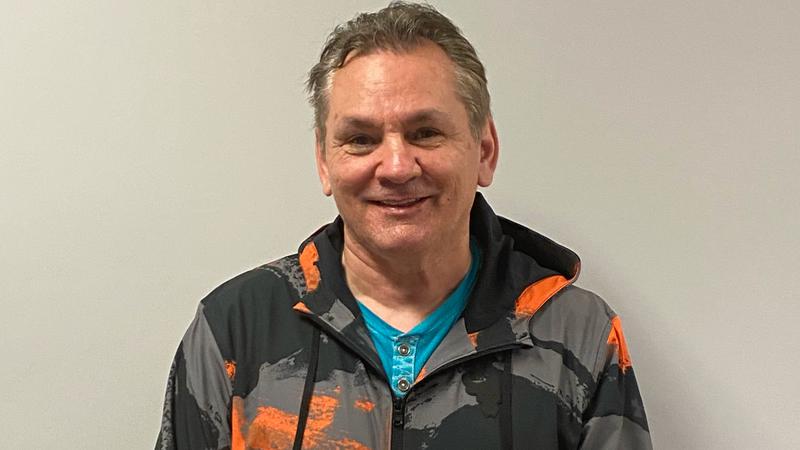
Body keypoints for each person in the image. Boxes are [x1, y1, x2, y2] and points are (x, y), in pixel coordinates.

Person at [156, 2, 651, 449]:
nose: (396, 167)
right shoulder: (235, 329)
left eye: (426, 132)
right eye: (360, 139)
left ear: (484, 151)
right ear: (324, 163)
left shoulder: (578, 334)